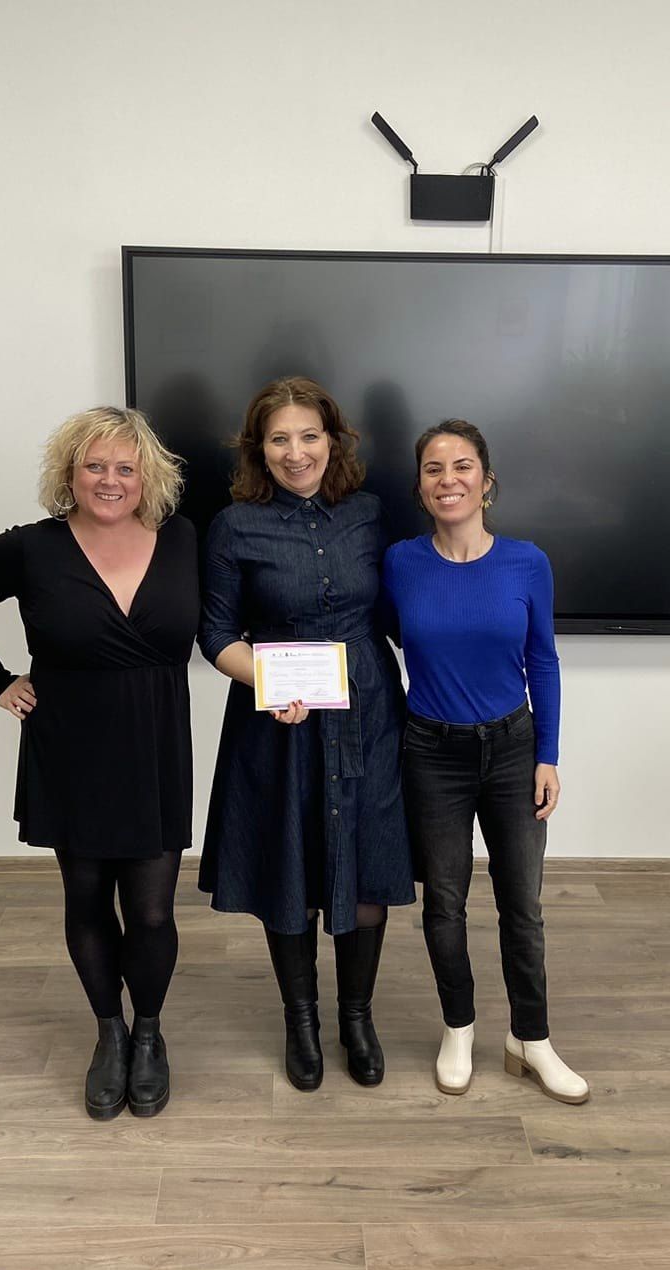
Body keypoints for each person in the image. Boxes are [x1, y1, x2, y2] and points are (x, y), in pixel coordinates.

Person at [0, 407, 197, 1121]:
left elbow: (231, 619)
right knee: (86, 901)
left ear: (147, 476)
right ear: (70, 473)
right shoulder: (31, 548)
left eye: (125, 467)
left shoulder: (183, 539)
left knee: (151, 910)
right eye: (94, 465)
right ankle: (109, 1034)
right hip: (70, 747)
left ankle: (149, 1034)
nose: (110, 480)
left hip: (154, 745)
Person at [198, 376, 415, 1091]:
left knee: (368, 859)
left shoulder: (372, 513)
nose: (297, 453)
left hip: (370, 714)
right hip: (277, 722)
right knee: (288, 862)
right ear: (258, 449)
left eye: (309, 436)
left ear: (333, 439)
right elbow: (215, 634)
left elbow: (401, 611)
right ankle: (301, 1022)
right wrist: (267, 681)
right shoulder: (234, 525)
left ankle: (357, 1019)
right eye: (279, 439)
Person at [382, 418, 588, 1105]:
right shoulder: (401, 563)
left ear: (486, 480)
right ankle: (459, 1028)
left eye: (462, 466)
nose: (449, 480)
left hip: (512, 750)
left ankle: (531, 1039)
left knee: (521, 903)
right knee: (444, 901)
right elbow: (384, 639)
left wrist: (548, 755)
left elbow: (543, 662)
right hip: (430, 753)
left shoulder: (527, 562)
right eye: (434, 469)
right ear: (420, 487)